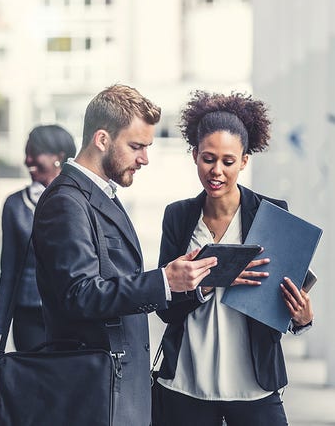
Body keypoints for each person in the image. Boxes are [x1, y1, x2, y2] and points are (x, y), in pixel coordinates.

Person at [32, 84, 219, 425]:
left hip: (113, 390)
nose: (145, 158)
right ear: (102, 139)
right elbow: (81, 294)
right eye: (136, 146)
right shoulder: (66, 202)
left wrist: (185, 284)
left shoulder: (100, 194)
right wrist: (163, 281)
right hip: (93, 394)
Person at [154, 91, 315, 426]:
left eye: (228, 161)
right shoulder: (179, 217)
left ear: (244, 160)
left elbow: (277, 299)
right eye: (208, 158)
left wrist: (301, 318)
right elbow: (165, 306)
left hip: (253, 384)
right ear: (195, 155)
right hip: (186, 381)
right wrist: (208, 283)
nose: (217, 171)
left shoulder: (271, 215)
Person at [0, 125, 77, 363]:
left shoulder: (79, 200)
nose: (28, 160)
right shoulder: (15, 205)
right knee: (33, 386)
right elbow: (8, 271)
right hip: (28, 314)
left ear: (59, 157)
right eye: (26, 153)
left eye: (35, 153)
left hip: (69, 313)